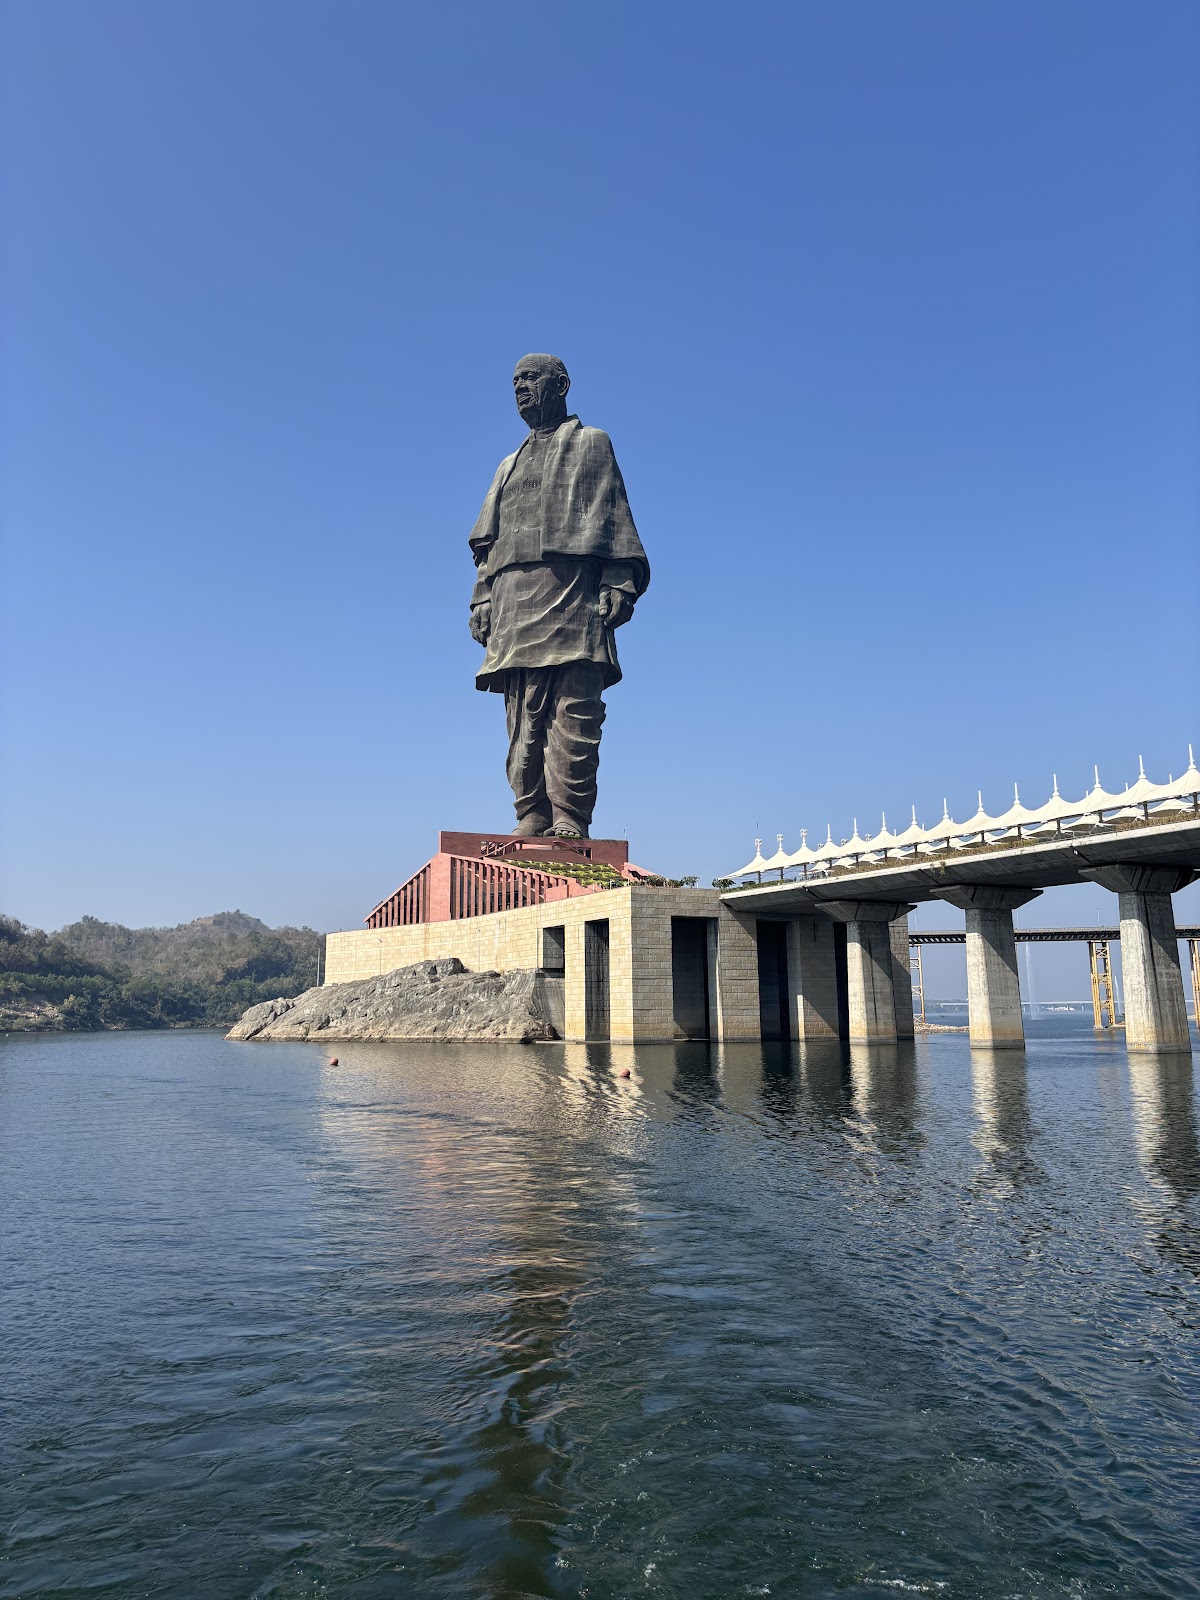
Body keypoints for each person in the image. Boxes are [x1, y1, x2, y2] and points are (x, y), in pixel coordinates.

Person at [468, 354, 649, 838]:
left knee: (574, 709)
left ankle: (569, 815)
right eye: (515, 381)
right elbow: (488, 545)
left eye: (531, 378)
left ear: (562, 384)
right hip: (512, 599)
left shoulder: (592, 444)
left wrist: (618, 579)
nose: (520, 387)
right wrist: (482, 597)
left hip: (572, 594)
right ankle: (530, 812)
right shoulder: (507, 465)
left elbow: (612, 514)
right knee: (521, 714)